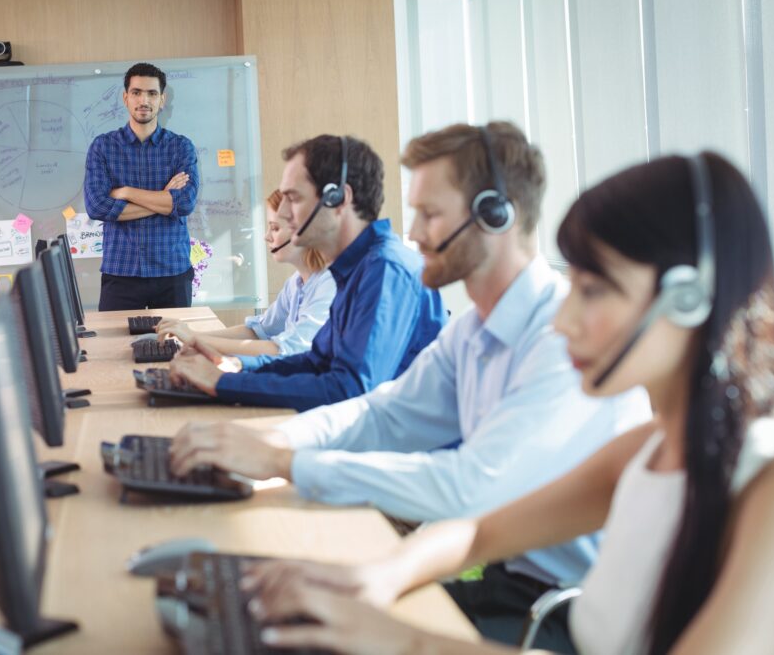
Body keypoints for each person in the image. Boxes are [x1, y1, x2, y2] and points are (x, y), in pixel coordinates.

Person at [241, 152, 774, 655]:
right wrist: (374, 577)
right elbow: (476, 536)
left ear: (689, 299)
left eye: (594, 291)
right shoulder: (648, 449)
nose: (565, 321)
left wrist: (403, 640)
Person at [169, 122, 650, 649]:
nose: (414, 233)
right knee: (282, 611)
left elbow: (470, 485)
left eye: (431, 213)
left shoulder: (561, 340)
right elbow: (384, 413)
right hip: (500, 578)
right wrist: (275, 443)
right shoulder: (473, 331)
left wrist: (288, 463)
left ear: (496, 216)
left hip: (560, 615)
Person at [167, 134, 447, 411]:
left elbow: (347, 390)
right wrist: (236, 367)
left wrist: (224, 383)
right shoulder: (352, 268)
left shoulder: (386, 271)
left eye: (294, 198)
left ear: (338, 198)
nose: (285, 213)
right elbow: (316, 361)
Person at [156, 189, 335, 357]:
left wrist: (196, 341)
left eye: (274, 228)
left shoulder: (329, 284)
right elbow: (258, 331)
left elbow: (285, 349)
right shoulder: (296, 283)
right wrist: (191, 335)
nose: (267, 237)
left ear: (304, 232)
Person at [84, 62, 199, 311]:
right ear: (125, 98)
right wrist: (164, 200)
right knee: (112, 349)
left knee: (175, 348)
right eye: (136, 92)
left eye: (152, 93)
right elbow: (97, 207)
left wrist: (124, 193)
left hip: (172, 271)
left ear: (162, 100)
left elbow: (185, 203)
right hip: (121, 271)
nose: (143, 100)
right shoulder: (103, 147)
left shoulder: (181, 147)